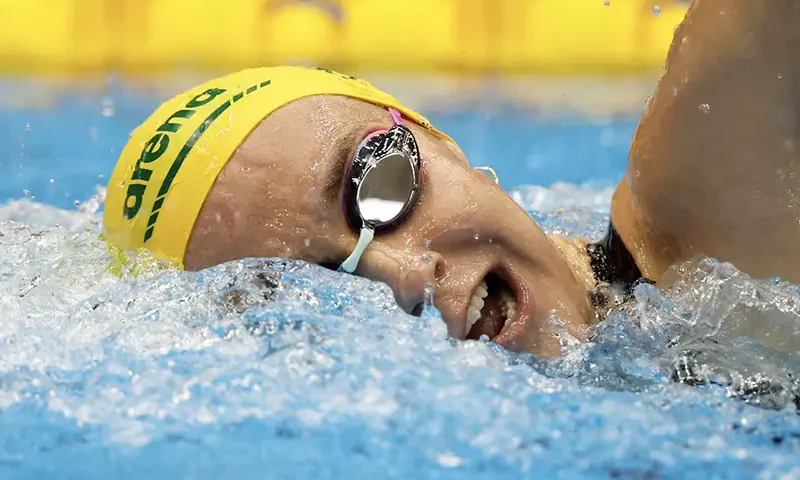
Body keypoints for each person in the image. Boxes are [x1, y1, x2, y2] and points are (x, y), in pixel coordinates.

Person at [103, 0, 799, 357]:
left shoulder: (711, 213)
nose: (403, 276)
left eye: (376, 187)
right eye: (311, 291)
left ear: (436, 137)